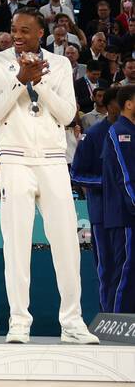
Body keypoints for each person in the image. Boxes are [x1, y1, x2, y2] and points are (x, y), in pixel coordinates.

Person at [0, 10, 98, 343]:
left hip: (52, 160)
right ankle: (19, 322)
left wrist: (39, 82)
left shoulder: (60, 65)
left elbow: (66, 115)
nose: (17, 36)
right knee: (16, 244)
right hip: (15, 160)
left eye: (25, 30)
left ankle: (72, 322)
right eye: (13, 30)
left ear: (41, 33)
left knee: (66, 243)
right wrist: (20, 81)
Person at [72, 91, 119, 313]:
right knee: (106, 267)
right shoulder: (93, 135)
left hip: (128, 213)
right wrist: (108, 182)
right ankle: (108, 314)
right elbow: (77, 174)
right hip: (102, 214)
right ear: (110, 106)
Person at [99, 85, 135, 314]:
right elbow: (124, 173)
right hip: (125, 214)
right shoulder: (119, 131)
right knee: (124, 269)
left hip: (128, 212)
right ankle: (115, 319)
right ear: (129, 104)